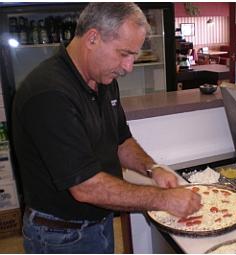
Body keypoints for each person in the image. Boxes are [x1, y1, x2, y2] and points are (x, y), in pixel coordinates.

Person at [12, 3, 202, 254]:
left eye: (133, 55)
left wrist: (153, 168)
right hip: (61, 235)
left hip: (98, 222)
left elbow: (121, 141)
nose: (128, 66)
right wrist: (162, 199)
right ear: (93, 38)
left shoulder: (103, 79)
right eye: (124, 53)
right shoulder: (49, 94)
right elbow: (85, 186)